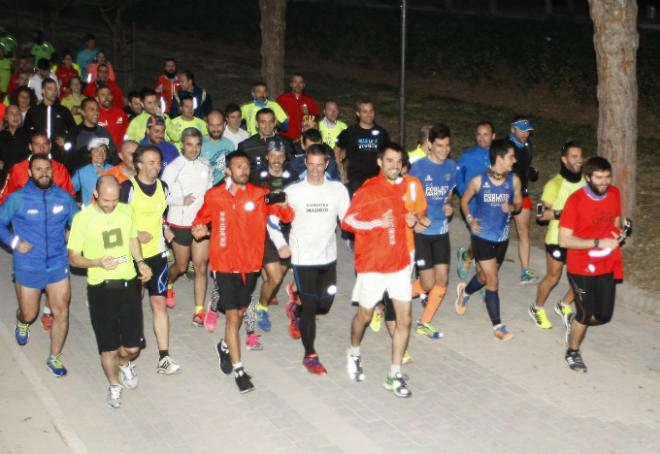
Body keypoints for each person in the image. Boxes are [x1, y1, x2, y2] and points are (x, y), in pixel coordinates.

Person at [192, 150, 293, 393]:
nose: (244, 170)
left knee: (238, 311)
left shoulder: (260, 196)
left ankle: (225, 347)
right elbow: (200, 220)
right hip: (224, 266)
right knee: (234, 317)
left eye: (246, 166)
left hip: (250, 267)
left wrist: (284, 205)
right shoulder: (214, 195)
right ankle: (239, 370)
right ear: (228, 170)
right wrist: (199, 230)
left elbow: (286, 215)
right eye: (238, 166)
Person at [67, 175, 152, 408]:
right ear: (95, 194)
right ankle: (114, 384)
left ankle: (124, 363)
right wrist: (97, 263)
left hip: (128, 286)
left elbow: (133, 238)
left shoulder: (126, 211)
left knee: (132, 347)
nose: (111, 205)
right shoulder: (82, 219)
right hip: (100, 290)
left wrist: (141, 262)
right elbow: (73, 258)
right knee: (108, 346)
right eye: (106, 201)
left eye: (115, 200)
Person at [342, 143, 416, 398]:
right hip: (372, 265)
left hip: (399, 264)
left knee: (405, 319)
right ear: (380, 162)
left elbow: (402, 211)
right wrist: (376, 223)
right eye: (389, 160)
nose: (394, 165)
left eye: (398, 161)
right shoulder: (369, 189)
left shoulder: (404, 186)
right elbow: (348, 221)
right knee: (363, 316)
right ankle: (353, 351)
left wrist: (409, 217)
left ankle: (394, 374)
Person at [0, 154, 78, 377]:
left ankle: (54, 357)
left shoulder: (63, 198)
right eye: (38, 169)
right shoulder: (18, 198)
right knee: (29, 313)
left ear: (52, 171)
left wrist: (74, 235)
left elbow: (80, 222)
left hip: (57, 263)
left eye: (47, 168)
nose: (44, 172)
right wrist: (14, 242)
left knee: (61, 312)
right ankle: (22, 322)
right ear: (30, 172)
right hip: (28, 265)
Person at [275, 144, 350, 374]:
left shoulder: (337, 190)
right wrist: (281, 244)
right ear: (305, 163)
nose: (316, 170)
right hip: (302, 258)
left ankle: (294, 308)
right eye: (311, 164)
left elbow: (348, 220)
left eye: (320, 165)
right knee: (310, 307)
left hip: (328, 257)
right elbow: (268, 213)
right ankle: (310, 355)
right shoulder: (293, 192)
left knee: (324, 305)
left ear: (326, 164)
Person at [559, 157, 625, 373]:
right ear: (588, 177)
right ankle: (572, 351)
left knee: (604, 315)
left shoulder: (614, 193)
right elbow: (564, 240)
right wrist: (597, 242)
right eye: (599, 178)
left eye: (607, 177)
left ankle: (573, 321)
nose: (604, 182)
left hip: (606, 263)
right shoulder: (575, 201)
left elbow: (615, 223)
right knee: (586, 314)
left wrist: (617, 236)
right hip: (580, 266)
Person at [119, 145, 180, 375]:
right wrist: (134, 234)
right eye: (151, 162)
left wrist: (165, 228)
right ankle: (126, 356)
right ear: (139, 164)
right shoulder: (128, 189)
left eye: (158, 162)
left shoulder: (163, 187)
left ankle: (164, 357)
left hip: (157, 254)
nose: (156, 166)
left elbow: (162, 214)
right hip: (132, 257)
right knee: (132, 306)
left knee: (159, 304)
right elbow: (117, 220)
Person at [457, 139, 522, 341]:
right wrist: (469, 220)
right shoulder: (479, 180)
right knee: (493, 280)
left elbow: (519, 204)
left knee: (484, 278)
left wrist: (511, 208)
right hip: (481, 236)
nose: (514, 159)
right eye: (511, 156)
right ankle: (498, 326)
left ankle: (465, 291)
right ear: (500, 158)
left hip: (502, 239)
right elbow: (464, 201)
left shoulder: (514, 181)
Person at [247, 139, 299, 348]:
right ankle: (262, 307)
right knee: (275, 276)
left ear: (285, 157)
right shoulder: (257, 175)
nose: (277, 159)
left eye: (280, 155)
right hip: (264, 231)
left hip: (288, 230)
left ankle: (269, 289)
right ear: (267, 156)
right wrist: (276, 198)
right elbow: (256, 201)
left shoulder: (292, 176)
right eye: (273, 155)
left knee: (278, 273)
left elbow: (295, 201)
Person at [408, 124, 457, 339]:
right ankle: (390, 298)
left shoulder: (452, 167)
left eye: (447, 145)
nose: (444, 150)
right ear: (429, 144)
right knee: (427, 283)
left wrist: (449, 206)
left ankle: (424, 322)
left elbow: (448, 196)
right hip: (421, 234)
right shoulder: (417, 168)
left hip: (441, 231)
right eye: (439, 145)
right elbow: (407, 201)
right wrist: (417, 218)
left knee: (443, 280)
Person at [529, 141, 585, 329]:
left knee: (584, 278)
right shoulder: (554, 184)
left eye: (580, 156)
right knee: (553, 277)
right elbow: (540, 214)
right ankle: (536, 308)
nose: (579, 160)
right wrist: (564, 214)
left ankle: (563, 305)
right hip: (557, 238)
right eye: (574, 157)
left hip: (579, 239)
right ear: (564, 159)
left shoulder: (587, 181)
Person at [161, 128, 212, 325]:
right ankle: (169, 282)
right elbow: (162, 195)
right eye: (189, 145)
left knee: (200, 266)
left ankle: (199, 311)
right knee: (181, 266)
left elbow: (209, 193)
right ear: (182, 144)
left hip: (200, 223)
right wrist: (180, 200)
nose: (193, 149)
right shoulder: (174, 167)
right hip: (179, 223)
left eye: (197, 144)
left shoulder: (205, 165)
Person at [455, 121, 497, 280]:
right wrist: (464, 193)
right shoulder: (467, 156)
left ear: (493, 136)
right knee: (481, 239)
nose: (482, 138)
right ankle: (483, 278)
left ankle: (467, 256)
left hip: (493, 205)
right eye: (479, 134)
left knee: (484, 241)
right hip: (473, 205)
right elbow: (457, 178)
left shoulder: (499, 156)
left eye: (486, 134)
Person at [0, 133, 75, 204]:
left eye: (45, 144)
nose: (41, 148)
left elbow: (69, 197)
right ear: (30, 146)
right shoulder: (17, 169)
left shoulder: (60, 169)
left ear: (50, 146)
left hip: (54, 214)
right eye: (37, 144)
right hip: (25, 215)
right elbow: (5, 198)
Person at [335, 98, 390, 195]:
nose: (368, 114)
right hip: (355, 181)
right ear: (358, 113)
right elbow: (337, 149)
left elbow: (388, 155)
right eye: (365, 111)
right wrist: (341, 172)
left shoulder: (382, 133)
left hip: (376, 180)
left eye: (371, 111)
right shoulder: (350, 132)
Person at [509, 117, 540, 285]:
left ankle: (525, 272)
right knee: (494, 232)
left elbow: (523, 166)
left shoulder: (528, 145)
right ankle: (469, 255)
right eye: (522, 130)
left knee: (523, 232)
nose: (525, 134)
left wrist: (529, 171)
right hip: (504, 195)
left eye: (527, 131)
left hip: (522, 194)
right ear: (513, 129)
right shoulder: (505, 147)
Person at [23, 78, 76, 161]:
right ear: (43, 90)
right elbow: (26, 131)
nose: (53, 92)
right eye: (50, 89)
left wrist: (66, 140)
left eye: (55, 89)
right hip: (39, 154)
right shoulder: (33, 111)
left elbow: (74, 130)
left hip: (59, 155)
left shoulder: (63, 111)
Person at [237, 107, 293, 172]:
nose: (267, 125)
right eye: (263, 122)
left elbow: (292, 166)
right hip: (254, 181)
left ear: (275, 123)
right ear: (257, 124)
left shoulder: (286, 142)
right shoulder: (245, 146)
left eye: (270, 121)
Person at [72, 98, 116, 170]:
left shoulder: (104, 132)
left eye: (97, 110)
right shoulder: (74, 133)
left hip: (105, 173)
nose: (96, 113)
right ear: (83, 112)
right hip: (83, 174)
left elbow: (114, 156)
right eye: (92, 110)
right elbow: (70, 160)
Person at [276, 72, 320, 141]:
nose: (298, 85)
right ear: (291, 84)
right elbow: (274, 117)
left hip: (304, 137)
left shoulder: (309, 100)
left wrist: (308, 113)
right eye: (295, 82)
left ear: (304, 85)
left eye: (300, 82)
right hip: (284, 137)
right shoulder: (282, 99)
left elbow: (316, 120)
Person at [72, 137, 113, 206]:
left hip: (110, 211)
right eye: (96, 150)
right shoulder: (81, 172)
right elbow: (68, 190)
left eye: (103, 150)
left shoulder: (114, 170)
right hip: (89, 213)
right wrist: (73, 203)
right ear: (90, 154)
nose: (100, 154)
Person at [201, 109, 235, 186]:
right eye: (212, 125)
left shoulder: (230, 144)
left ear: (224, 124)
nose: (216, 129)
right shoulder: (199, 145)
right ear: (207, 125)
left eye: (219, 125)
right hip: (206, 191)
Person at [0, 105, 29, 183]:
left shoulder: (28, 134)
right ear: (6, 117)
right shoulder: (1, 136)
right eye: (11, 113)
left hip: (25, 178)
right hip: (5, 178)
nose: (15, 116)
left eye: (17, 113)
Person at [97, 85, 128, 150]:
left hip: (119, 152)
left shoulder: (120, 113)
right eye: (103, 95)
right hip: (101, 152)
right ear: (97, 98)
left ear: (112, 97)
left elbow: (126, 131)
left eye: (109, 94)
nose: (107, 97)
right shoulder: (94, 114)